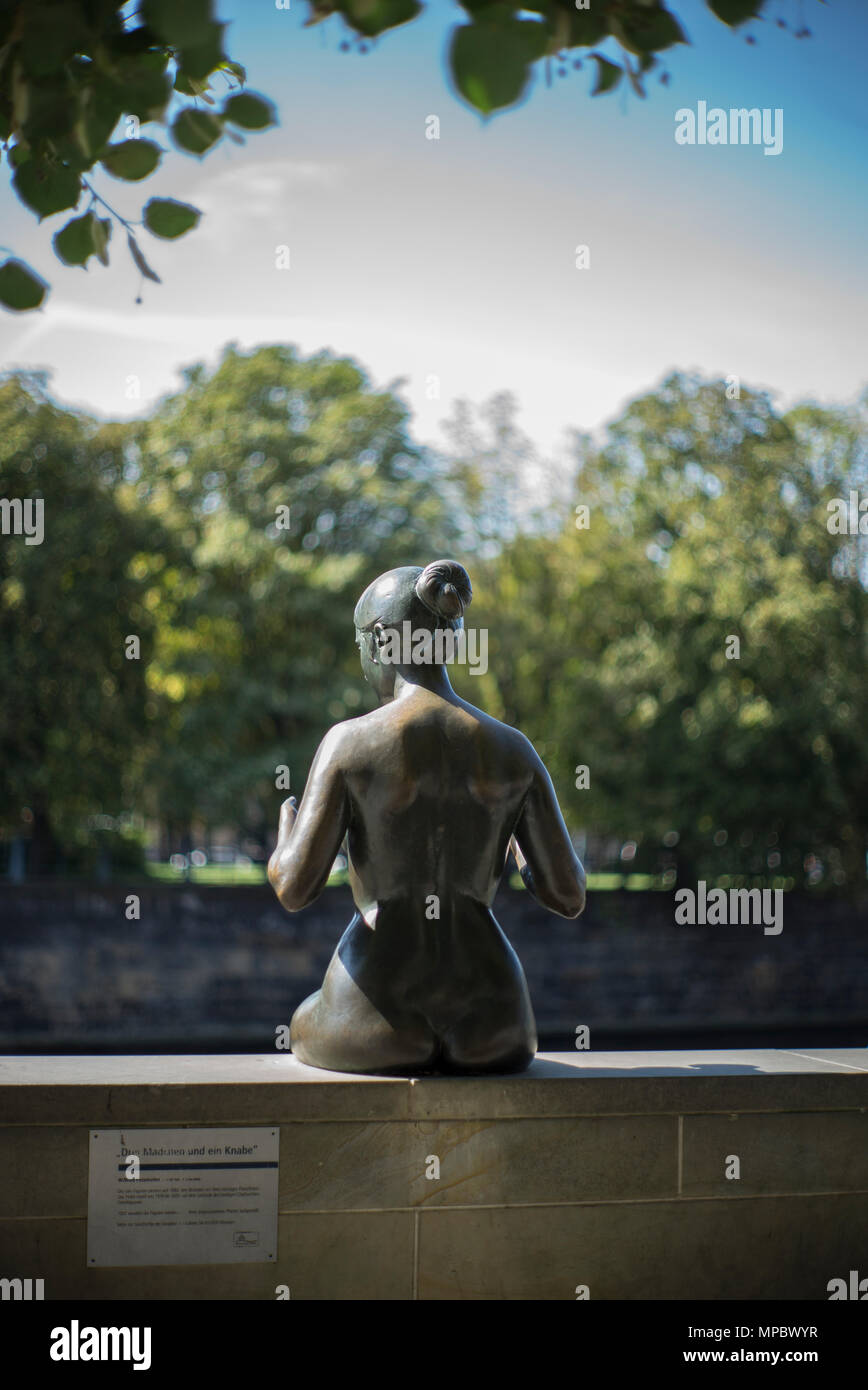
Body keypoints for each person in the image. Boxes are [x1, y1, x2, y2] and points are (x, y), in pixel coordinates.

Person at [268, 559, 585, 1074]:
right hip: (497, 1021)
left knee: (303, 1018)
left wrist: (286, 832)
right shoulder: (514, 750)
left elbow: (294, 888)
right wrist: (521, 847)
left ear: (378, 643)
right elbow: (567, 894)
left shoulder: (349, 744)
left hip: (373, 1014)